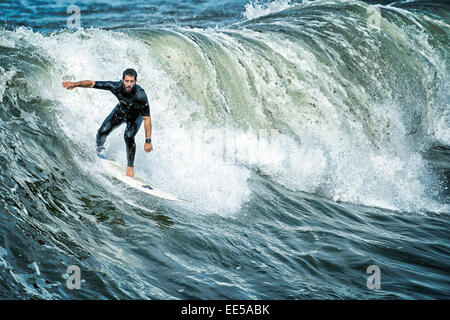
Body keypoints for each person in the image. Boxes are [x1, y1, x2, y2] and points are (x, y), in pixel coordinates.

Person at [62, 68, 153, 177]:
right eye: (127, 81)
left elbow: (147, 118)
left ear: (136, 81)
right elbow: (92, 83)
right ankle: (99, 151)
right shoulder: (115, 86)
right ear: (122, 80)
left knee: (128, 136)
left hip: (135, 117)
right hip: (121, 112)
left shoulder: (141, 95)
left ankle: (130, 167)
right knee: (102, 131)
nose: (129, 84)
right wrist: (75, 84)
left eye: (131, 81)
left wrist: (148, 140)